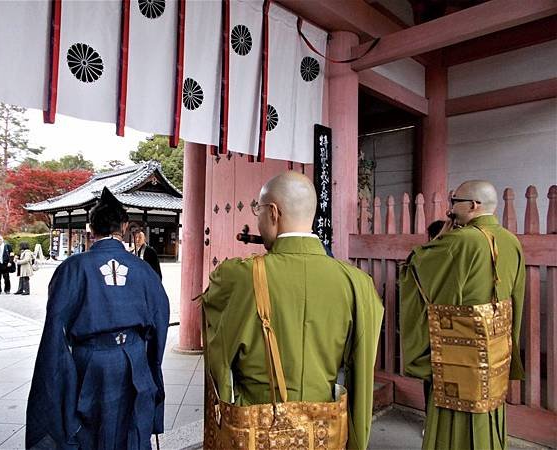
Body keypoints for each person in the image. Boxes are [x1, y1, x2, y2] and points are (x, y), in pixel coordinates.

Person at [202, 171, 384, 450]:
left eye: (258, 210)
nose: (257, 219)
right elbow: (361, 374)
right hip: (325, 431)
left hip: (257, 428)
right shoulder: (356, 282)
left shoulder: (238, 277)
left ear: (273, 212)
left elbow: (218, 354)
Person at [26, 187, 170, 450]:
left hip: (88, 362)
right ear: (124, 227)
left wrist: (59, 375)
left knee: (88, 431)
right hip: (134, 360)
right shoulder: (144, 270)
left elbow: (55, 327)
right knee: (131, 428)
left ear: (91, 228)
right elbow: (160, 324)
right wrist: (152, 368)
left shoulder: (71, 268)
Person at [400, 180, 525, 450]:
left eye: (454, 203)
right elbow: (516, 297)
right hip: (495, 349)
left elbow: (415, 266)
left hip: (461, 353)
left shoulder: (461, 240)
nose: (450, 210)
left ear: (473, 205)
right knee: (489, 408)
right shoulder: (510, 240)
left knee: (454, 415)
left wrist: (444, 233)